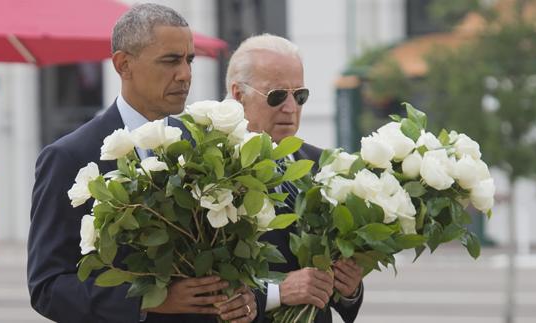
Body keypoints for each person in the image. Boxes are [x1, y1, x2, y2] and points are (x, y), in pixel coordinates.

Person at [28, 4, 258, 323]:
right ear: (124, 64)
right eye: (170, 61)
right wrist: (149, 300)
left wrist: (243, 298)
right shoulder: (69, 157)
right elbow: (48, 288)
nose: (185, 74)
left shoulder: (201, 145)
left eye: (189, 59)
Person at [225, 34, 364, 323]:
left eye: (299, 95)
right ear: (239, 94)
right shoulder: (212, 174)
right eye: (276, 95)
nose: (290, 107)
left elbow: (339, 294)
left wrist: (349, 287)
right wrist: (278, 292)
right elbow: (203, 283)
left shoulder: (322, 165)